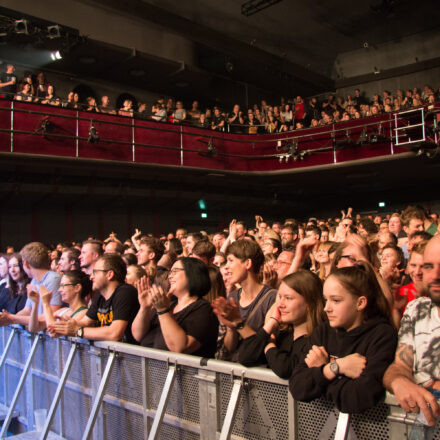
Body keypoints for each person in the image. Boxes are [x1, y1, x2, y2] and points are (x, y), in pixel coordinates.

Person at [290, 261, 397, 413]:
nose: (327, 308)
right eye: (326, 300)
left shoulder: (382, 335)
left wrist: (320, 376)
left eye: (336, 300)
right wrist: (334, 368)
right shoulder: (323, 331)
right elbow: (297, 387)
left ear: (360, 303)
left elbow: (356, 398)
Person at [383, 237, 440, 428]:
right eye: (429, 266)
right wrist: (399, 381)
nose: (435, 275)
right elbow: (399, 365)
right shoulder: (417, 309)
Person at [237, 270, 325, 378]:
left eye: (288, 298)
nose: (280, 304)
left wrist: (269, 347)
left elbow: (286, 369)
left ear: (309, 302)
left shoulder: (319, 337)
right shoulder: (282, 332)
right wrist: (271, 324)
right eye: (279, 297)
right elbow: (245, 356)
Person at [132, 257, 219, 357]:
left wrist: (163, 311)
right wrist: (145, 307)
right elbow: (137, 335)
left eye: (175, 271)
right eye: (170, 272)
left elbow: (180, 347)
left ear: (192, 274)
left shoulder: (204, 310)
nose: (170, 276)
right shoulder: (169, 304)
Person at [49, 254, 139, 343]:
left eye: (95, 272)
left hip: (131, 356)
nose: (91, 277)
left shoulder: (125, 292)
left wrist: (78, 331)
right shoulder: (100, 295)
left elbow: (115, 333)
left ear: (109, 274)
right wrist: (63, 327)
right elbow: (85, 322)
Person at [212, 240, 276, 360]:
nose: (227, 266)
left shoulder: (271, 298)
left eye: (231, 260)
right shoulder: (233, 296)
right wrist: (231, 327)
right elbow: (231, 348)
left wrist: (238, 321)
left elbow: (265, 346)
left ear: (247, 263)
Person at [0, 242, 61, 328]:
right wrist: (7, 318)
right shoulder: (34, 281)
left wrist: (12, 318)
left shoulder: (53, 279)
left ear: (26, 264)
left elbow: (49, 316)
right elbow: (27, 310)